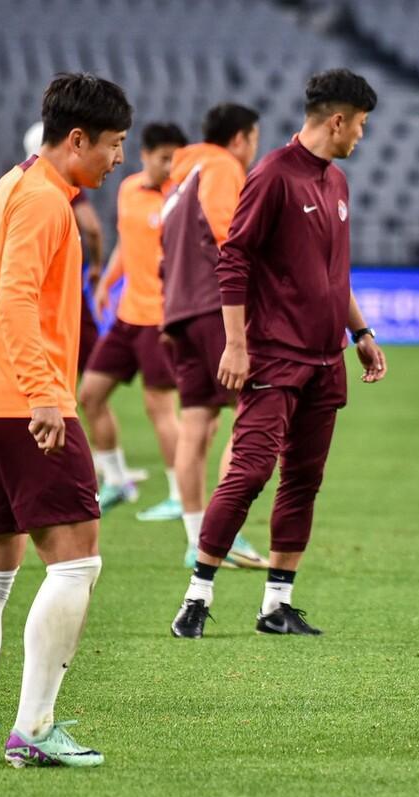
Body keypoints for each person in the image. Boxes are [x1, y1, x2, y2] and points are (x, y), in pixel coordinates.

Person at [0, 72, 130, 768]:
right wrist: (43, 394)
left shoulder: (9, 185)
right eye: (113, 143)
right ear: (77, 139)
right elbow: (16, 298)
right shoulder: (46, 201)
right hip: (24, 404)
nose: (118, 158)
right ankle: (33, 728)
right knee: (78, 562)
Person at [170, 68, 387, 639]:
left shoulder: (336, 182)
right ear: (337, 120)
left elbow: (333, 275)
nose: (361, 135)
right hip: (274, 356)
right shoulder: (271, 175)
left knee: (303, 480)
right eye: (360, 125)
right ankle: (197, 596)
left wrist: (361, 333)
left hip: (326, 359)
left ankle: (276, 604)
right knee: (249, 472)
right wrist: (236, 345)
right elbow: (234, 259)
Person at [158, 103, 268, 569]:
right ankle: (228, 534)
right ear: (240, 138)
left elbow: (163, 252)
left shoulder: (179, 179)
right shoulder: (222, 167)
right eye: (254, 139)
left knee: (196, 422)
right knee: (252, 411)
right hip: (215, 307)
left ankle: (196, 539)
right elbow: (231, 238)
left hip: (179, 311)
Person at [80, 122, 189, 517]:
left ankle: (181, 495)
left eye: (176, 159)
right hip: (127, 317)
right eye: (164, 158)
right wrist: (108, 282)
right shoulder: (128, 190)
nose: (170, 166)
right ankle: (117, 480)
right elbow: (127, 243)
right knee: (90, 396)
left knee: (159, 407)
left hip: (160, 319)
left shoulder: (182, 197)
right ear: (144, 155)